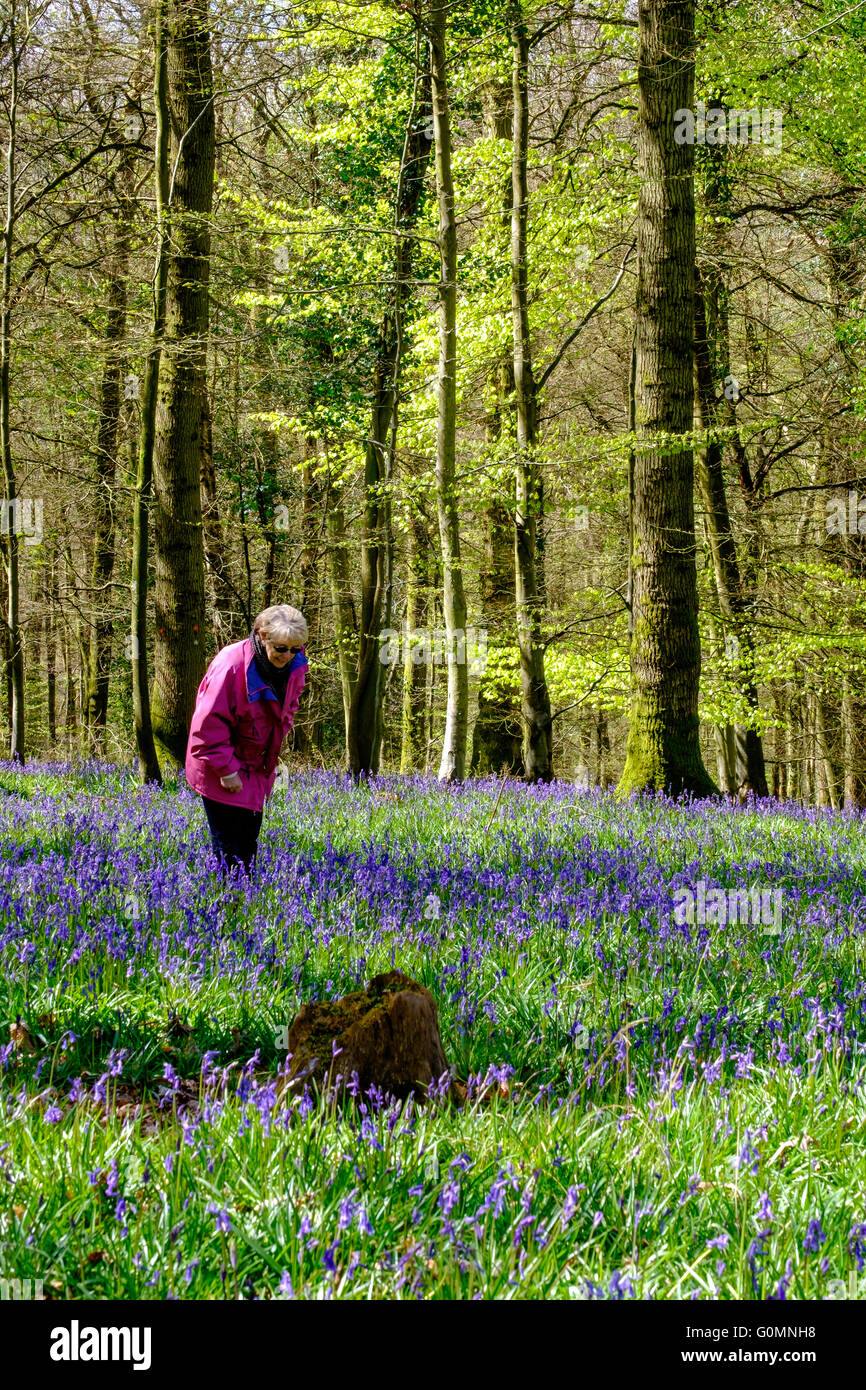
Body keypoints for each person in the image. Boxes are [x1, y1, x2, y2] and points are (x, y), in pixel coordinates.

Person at [185, 604, 308, 874]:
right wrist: (227, 770)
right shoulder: (231, 666)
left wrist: (274, 749)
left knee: (248, 844)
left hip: (257, 768)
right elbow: (207, 727)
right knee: (230, 850)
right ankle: (227, 905)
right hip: (219, 767)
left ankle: (242, 903)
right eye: (281, 648)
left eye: (295, 649)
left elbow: (289, 706)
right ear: (262, 636)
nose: (287, 655)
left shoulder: (295, 664)